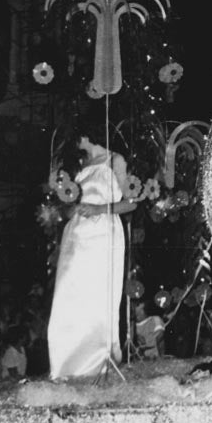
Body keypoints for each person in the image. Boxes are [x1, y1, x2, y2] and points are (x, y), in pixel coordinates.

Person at [47, 121, 138, 380]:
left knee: (97, 294)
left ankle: (97, 362)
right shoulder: (80, 166)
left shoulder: (114, 160)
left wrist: (100, 209)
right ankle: (65, 364)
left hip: (102, 232)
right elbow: (67, 205)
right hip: (76, 234)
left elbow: (130, 203)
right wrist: (67, 205)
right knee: (69, 293)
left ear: (84, 135)